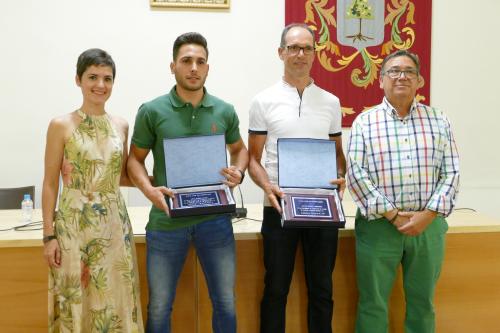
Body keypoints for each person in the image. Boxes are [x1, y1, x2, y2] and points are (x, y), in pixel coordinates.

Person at [127, 32, 248, 333]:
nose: (194, 67)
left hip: (216, 219)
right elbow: (134, 160)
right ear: (173, 67)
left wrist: (239, 172)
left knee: (225, 302)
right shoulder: (152, 110)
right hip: (167, 221)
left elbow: (240, 150)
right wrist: (149, 190)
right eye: (186, 61)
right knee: (159, 306)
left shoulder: (224, 110)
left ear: (208, 68)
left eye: (200, 62)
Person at [346, 49, 460, 333]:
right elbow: (356, 175)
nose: (401, 76)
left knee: (423, 303)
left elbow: (452, 172)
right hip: (379, 227)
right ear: (381, 80)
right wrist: (393, 215)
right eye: (394, 71)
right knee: (373, 304)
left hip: (428, 227)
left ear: (419, 81)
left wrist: (429, 214)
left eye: (409, 71)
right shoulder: (365, 122)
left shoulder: (439, 120)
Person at [248, 23, 347, 333]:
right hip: (279, 207)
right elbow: (252, 158)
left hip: (322, 207)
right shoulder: (263, 101)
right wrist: (268, 187)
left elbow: (337, 155)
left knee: (322, 289)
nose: (300, 54)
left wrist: (342, 176)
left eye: (306, 48)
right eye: (293, 48)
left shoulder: (330, 102)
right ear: (281, 53)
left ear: (314, 54)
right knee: (276, 289)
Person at [42, 48, 144, 332]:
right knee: (78, 295)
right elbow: (50, 182)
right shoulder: (60, 125)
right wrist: (48, 235)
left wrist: (158, 181)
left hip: (114, 225)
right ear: (78, 80)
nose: (101, 85)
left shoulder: (121, 125)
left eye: (107, 78)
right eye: (93, 77)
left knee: (116, 298)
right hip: (75, 226)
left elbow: (120, 176)